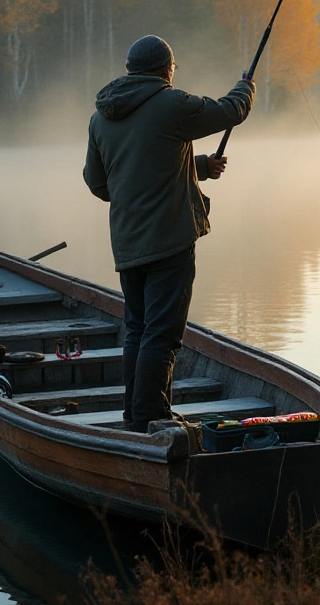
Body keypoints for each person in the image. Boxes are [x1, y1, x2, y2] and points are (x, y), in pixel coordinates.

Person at [83, 35, 255, 432]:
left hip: (128, 244)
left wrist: (195, 167)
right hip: (169, 242)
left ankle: (135, 414)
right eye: (173, 70)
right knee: (162, 333)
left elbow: (99, 183)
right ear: (165, 69)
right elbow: (229, 112)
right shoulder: (171, 103)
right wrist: (246, 86)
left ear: (130, 70)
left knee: (138, 330)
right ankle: (152, 418)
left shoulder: (100, 116)